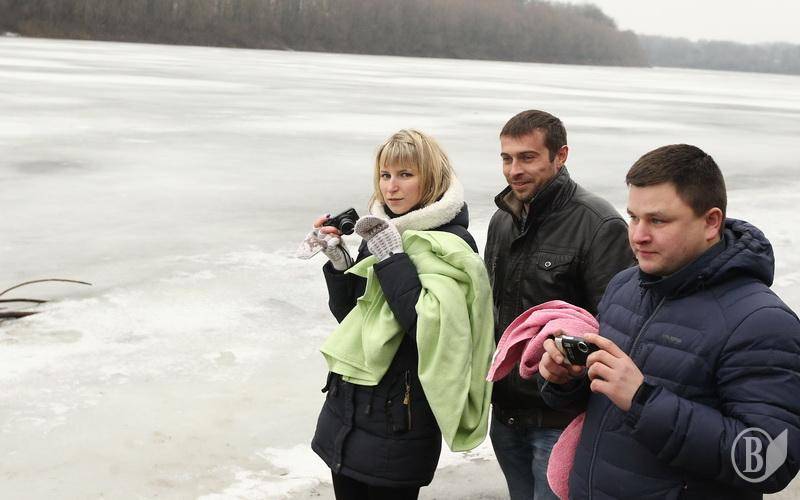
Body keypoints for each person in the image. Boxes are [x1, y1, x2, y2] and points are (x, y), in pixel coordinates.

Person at [539, 144, 800, 499]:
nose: (638, 235)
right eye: (633, 217)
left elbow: (768, 463)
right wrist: (567, 380)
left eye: (658, 220)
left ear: (711, 222)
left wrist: (643, 399)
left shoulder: (762, 322)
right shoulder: (624, 286)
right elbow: (607, 407)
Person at [307, 129, 494, 500]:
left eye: (405, 175)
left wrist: (392, 258)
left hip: (398, 421)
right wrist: (340, 263)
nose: (391, 187)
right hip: (347, 412)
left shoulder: (452, 246)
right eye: (385, 175)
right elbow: (354, 318)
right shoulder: (381, 233)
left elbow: (432, 330)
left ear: (431, 179)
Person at [484, 109, 634, 499]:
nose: (514, 170)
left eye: (527, 157)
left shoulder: (599, 225)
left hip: (561, 420)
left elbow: (618, 332)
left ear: (560, 155)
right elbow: (494, 315)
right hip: (505, 415)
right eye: (506, 158)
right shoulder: (502, 221)